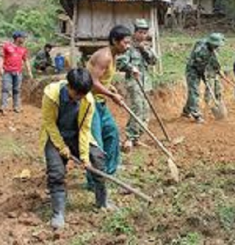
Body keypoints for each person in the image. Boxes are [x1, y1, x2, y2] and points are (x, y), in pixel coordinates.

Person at [40, 68, 108, 229]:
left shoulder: (88, 99)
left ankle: (102, 202)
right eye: (78, 95)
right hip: (55, 136)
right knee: (56, 172)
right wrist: (62, 147)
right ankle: (58, 213)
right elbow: (49, 124)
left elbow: (85, 129)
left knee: (97, 159)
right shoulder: (51, 95)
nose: (80, 98)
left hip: (77, 136)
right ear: (69, 87)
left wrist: (84, 157)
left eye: (83, 95)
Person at [86, 25, 131, 189]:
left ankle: (109, 172)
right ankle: (93, 183)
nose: (128, 46)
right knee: (95, 143)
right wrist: (112, 96)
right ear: (114, 41)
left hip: (100, 102)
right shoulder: (104, 56)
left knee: (112, 133)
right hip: (89, 103)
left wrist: (110, 88)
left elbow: (102, 80)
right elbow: (92, 82)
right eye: (125, 43)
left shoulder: (114, 56)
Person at [117, 19, 157, 152]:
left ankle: (137, 138)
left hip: (146, 83)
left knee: (146, 111)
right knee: (137, 108)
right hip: (134, 82)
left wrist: (145, 50)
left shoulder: (146, 47)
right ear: (135, 33)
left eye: (145, 33)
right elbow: (120, 63)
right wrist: (131, 67)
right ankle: (129, 138)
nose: (142, 35)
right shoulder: (128, 47)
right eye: (140, 32)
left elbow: (153, 61)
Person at [181, 33, 225, 124]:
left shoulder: (211, 46)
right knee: (194, 91)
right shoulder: (201, 51)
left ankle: (186, 111)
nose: (217, 47)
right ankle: (196, 114)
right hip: (193, 70)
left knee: (194, 92)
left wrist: (218, 69)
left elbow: (214, 58)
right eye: (216, 45)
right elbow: (201, 67)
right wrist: (207, 76)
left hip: (202, 68)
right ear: (211, 43)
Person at [0, 31, 33, 114]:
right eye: (23, 37)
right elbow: (1, 57)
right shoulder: (7, 46)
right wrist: (0, 68)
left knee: (17, 90)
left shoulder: (23, 49)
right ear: (17, 38)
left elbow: (26, 60)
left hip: (18, 72)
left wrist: (29, 72)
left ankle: (16, 106)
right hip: (7, 71)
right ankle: (3, 106)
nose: (24, 39)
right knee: (5, 88)